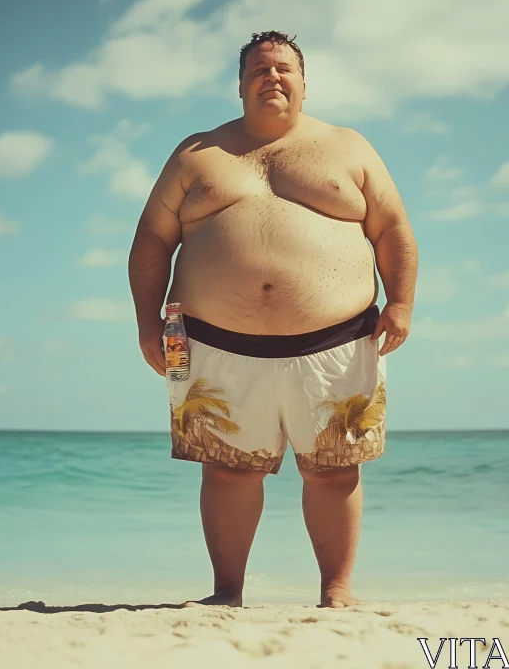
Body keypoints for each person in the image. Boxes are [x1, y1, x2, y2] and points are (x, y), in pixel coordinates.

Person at [128, 31, 418, 609]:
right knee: (227, 471)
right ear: (240, 85)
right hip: (212, 342)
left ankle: (337, 591)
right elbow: (152, 240)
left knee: (334, 471)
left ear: (304, 83)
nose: (272, 77)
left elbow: (393, 230)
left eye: (284, 69)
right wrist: (145, 322)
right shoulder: (196, 154)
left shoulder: (348, 147)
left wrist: (401, 303)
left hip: (339, 339)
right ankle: (226, 592)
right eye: (259, 70)